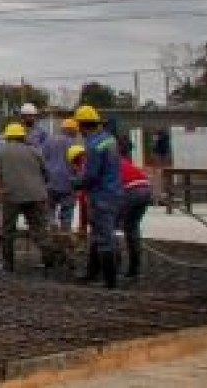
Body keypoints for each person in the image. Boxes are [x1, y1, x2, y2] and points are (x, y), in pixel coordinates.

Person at [0, 121, 58, 274]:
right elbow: (46, 175)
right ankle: (49, 261)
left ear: (8, 137)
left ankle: (8, 265)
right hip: (37, 195)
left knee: (7, 231)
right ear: (22, 136)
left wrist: (3, 188)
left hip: (11, 195)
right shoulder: (35, 151)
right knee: (40, 230)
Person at [74, 103, 123, 289]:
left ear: (82, 125)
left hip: (101, 195)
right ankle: (93, 272)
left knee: (104, 238)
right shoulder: (110, 140)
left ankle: (110, 281)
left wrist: (75, 183)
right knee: (100, 235)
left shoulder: (93, 146)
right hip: (114, 192)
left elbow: (91, 175)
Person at [120, 154, 154, 280]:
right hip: (145, 188)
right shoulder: (119, 160)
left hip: (131, 191)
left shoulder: (97, 164)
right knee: (132, 229)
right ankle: (135, 269)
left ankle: (115, 266)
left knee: (110, 227)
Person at [43, 117, 78, 230]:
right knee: (66, 213)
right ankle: (65, 234)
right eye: (75, 131)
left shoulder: (49, 141)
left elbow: (42, 159)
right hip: (68, 183)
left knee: (49, 209)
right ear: (71, 130)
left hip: (50, 182)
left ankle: (52, 226)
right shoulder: (73, 144)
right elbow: (77, 165)